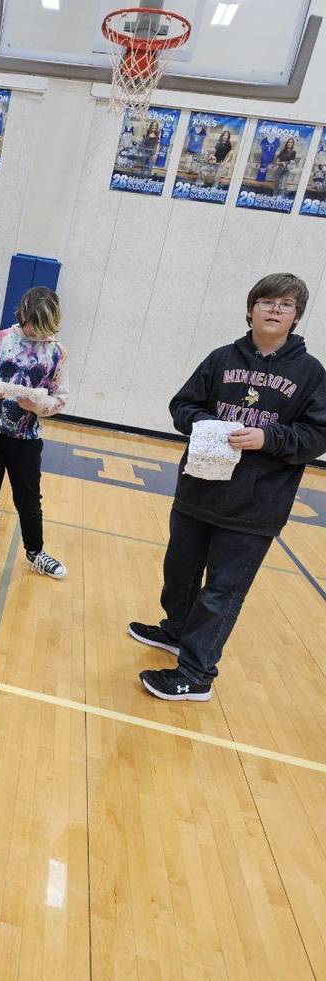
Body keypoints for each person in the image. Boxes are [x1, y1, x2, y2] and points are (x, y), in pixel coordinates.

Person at [129, 273, 326, 700]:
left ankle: (196, 674)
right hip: (198, 489)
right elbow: (182, 405)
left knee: (221, 592)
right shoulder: (221, 358)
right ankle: (176, 631)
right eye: (267, 301)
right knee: (179, 573)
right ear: (251, 309)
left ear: (296, 317)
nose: (275, 309)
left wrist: (267, 438)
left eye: (286, 304)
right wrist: (205, 424)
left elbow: (317, 436)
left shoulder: (311, 373)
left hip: (255, 506)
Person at [0, 287, 69, 582]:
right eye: (33, 325)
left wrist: (39, 406)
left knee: (29, 499)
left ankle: (36, 552)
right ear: (23, 313)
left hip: (27, 439)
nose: (37, 333)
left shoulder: (57, 353)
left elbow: (60, 399)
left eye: (44, 327)